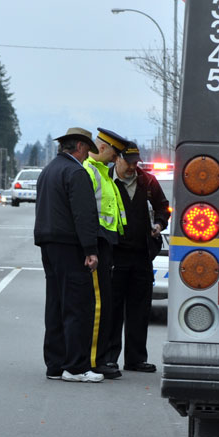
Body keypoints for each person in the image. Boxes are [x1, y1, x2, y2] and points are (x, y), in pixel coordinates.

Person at [33, 127, 103, 383]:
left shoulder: (48, 171)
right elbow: (83, 215)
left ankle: (55, 364)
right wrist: (90, 250)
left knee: (55, 304)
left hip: (48, 243)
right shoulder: (76, 172)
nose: (87, 157)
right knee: (77, 306)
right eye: (87, 151)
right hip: (70, 246)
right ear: (81, 147)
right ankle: (75, 367)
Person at [106, 140, 169, 374]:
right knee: (112, 311)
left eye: (136, 163)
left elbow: (164, 207)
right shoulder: (107, 180)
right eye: (128, 162)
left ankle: (136, 358)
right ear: (117, 159)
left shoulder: (148, 181)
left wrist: (159, 224)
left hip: (141, 256)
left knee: (139, 310)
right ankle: (109, 357)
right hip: (115, 256)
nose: (133, 167)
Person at [85, 127, 128, 379]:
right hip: (98, 244)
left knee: (106, 304)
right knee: (98, 305)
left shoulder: (104, 173)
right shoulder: (91, 172)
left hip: (108, 245)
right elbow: (87, 213)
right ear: (102, 148)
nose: (116, 160)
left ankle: (100, 358)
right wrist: (91, 248)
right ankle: (93, 361)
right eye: (114, 154)